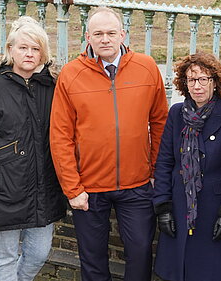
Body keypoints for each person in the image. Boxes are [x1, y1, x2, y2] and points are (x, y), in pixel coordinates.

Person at [50, 6, 168, 281]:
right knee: (92, 259)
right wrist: (72, 188)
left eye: (111, 33)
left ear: (122, 34)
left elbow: (160, 123)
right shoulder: (71, 74)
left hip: (137, 185)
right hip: (88, 188)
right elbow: (60, 136)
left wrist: (154, 172)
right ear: (87, 36)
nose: (105, 39)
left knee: (140, 252)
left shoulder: (146, 67)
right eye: (99, 33)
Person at [0, 16, 67, 281]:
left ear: (44, 52)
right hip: (1, 191)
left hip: (44, 190)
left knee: (39, 252)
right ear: (10, 50)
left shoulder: (53, 87)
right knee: (4, 259)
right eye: (23, 48)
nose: (29, 54)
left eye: (36, 48)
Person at [152, 52, 221, 281]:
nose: (197, 86)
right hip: (180, 204)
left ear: (215, 82)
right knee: (178, 271)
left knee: (210, 272)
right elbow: (164, 162)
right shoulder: (176, 113)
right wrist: (162, 206)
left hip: (213, 208)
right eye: (191, 80)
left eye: (204, 79)